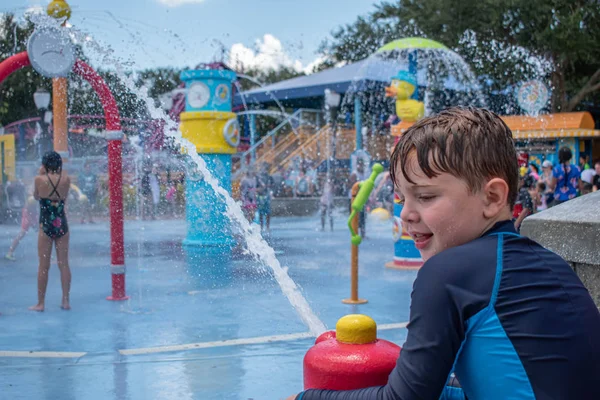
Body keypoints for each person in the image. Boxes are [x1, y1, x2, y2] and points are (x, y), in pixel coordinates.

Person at [286, 107, 600, 400]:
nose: (406, 214)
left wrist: (308, 397)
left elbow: (404, 399)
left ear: (491, 197)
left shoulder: (448, 273)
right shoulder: (551, 265)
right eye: (401, 199)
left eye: (425, 196)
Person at [30, 151, 72, 312]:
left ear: (44, 164)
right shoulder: (66, 180)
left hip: (46, 225)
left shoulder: (39, 179)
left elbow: (36, 196)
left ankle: (40, 303)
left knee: (43, 266)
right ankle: (66, 300)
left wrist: (41, 174)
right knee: (64, 264)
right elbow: (64, 198)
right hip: (62, 224)